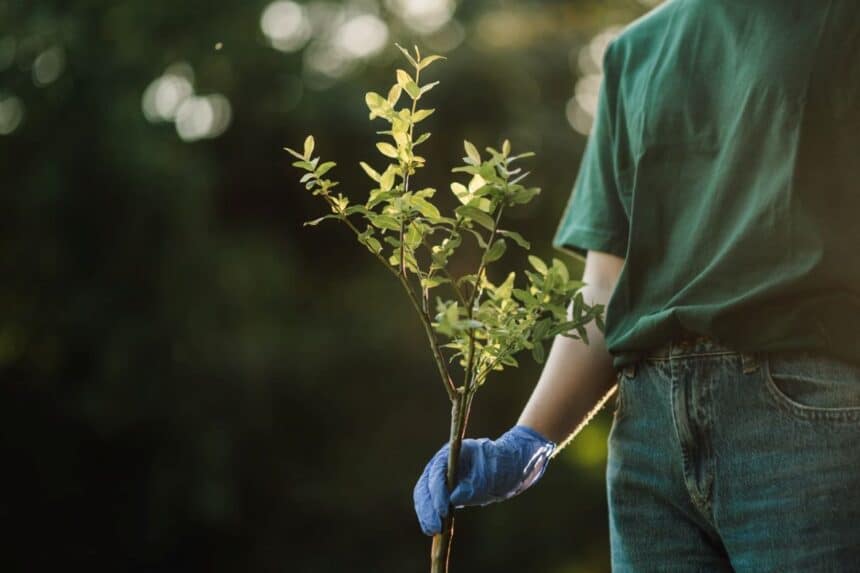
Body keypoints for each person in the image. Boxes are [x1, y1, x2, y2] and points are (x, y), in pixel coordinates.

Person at [414, 0, 860, 569]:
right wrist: (527, 440)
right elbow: (604, 286)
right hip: (647, 442)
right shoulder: (635, 52)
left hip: (806, 415)